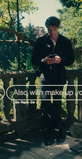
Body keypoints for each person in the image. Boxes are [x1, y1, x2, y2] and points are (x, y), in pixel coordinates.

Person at [31, 16, 75, 145]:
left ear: (58, 28)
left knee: (56, 104)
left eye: (54, 29)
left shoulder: (65, 42)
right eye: (49, 30)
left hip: (59, 77)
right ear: (47, 28)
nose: (51, 32)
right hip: (45, 76)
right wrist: (44, 60)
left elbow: (71, 60)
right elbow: (34, 60)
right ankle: (62, 126)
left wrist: (61, 60)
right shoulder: (40, 42)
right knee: (44, 101)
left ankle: (53, 132)